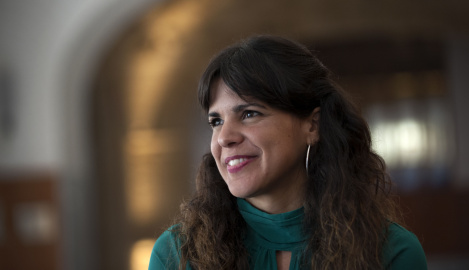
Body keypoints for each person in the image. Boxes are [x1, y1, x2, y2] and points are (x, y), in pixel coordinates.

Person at [148, 35, 427, 270]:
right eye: (216, 121)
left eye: (249, 113)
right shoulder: (177, 254)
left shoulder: (391, 252)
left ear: (312, 125)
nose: (224, 138)